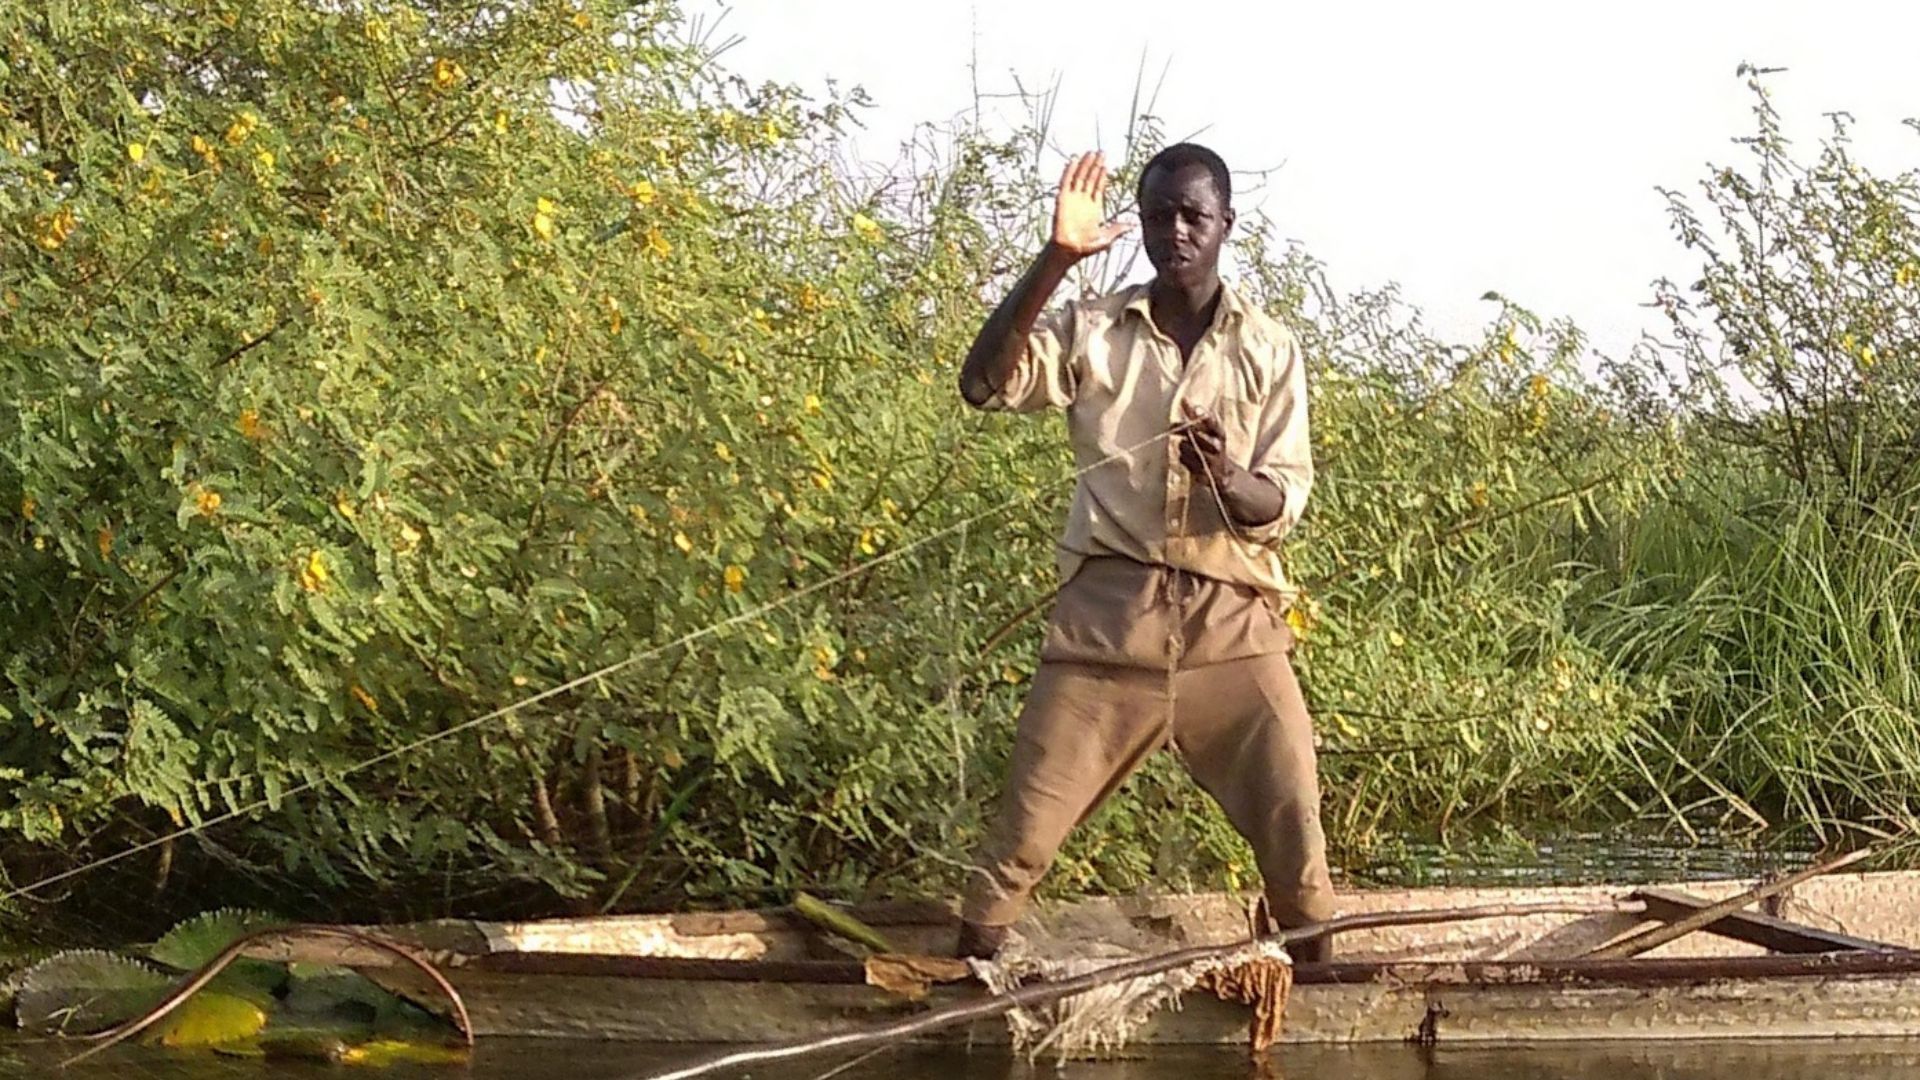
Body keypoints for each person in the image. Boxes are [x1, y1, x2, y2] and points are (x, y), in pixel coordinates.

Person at [954, 143, 1335, 962]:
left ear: (1226, 224)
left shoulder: (1270, 349)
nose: (1176, 231)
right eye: (1159, 215)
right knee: (1017, 846)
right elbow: (983, 384)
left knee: (1297, 841)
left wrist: (1227, 479)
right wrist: (1056, 260)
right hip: (1106, 629)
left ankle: (1325, 1001)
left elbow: (1281, 499)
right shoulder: (1094, 328)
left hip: (1234, 629)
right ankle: (966, 990)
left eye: (1194, 215)